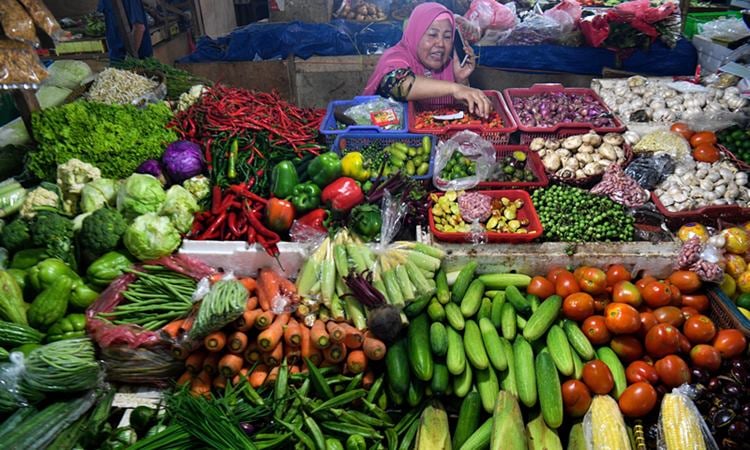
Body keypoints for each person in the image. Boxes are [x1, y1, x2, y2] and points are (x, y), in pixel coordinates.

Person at [363, 2, 491, 118]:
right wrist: (455, 88)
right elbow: (396, 83)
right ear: (415, 33)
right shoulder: (394, 57)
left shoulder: (448, 67)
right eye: (432, 35)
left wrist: (461, 80)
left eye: (447, 37)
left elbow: (456, 116)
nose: (441, 43)